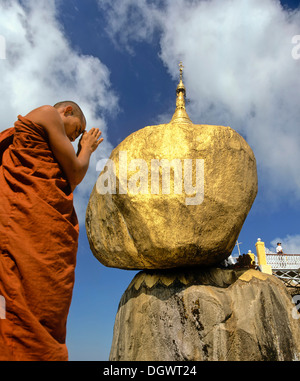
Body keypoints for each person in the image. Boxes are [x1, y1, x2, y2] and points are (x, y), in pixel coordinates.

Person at [0, 101, 103, 360]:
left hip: (36, 223)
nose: (74, 137)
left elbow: (55, 182)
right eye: (76, 130)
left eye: (79, 136)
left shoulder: (47, 145)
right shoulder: (47, 113)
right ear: (66, 111)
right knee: (16, 300)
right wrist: (86, 149)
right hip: (20, 217)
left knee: (43, 303)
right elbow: (76, 174)